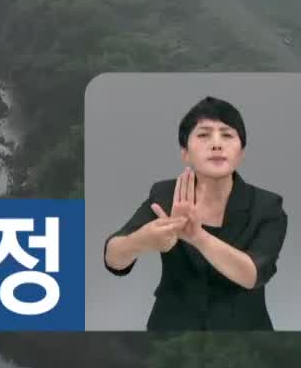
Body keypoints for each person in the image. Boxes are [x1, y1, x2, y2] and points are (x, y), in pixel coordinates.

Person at [101, 95, 288, 330]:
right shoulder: (165, 194)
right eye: (203, 135)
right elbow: (113, 257)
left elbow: (253, 274)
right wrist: (141, 241)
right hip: (171, 329)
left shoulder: (267, 206)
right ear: (185, 153)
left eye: (227, 135)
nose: (217, 144)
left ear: (241, 153)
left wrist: (198, 237)